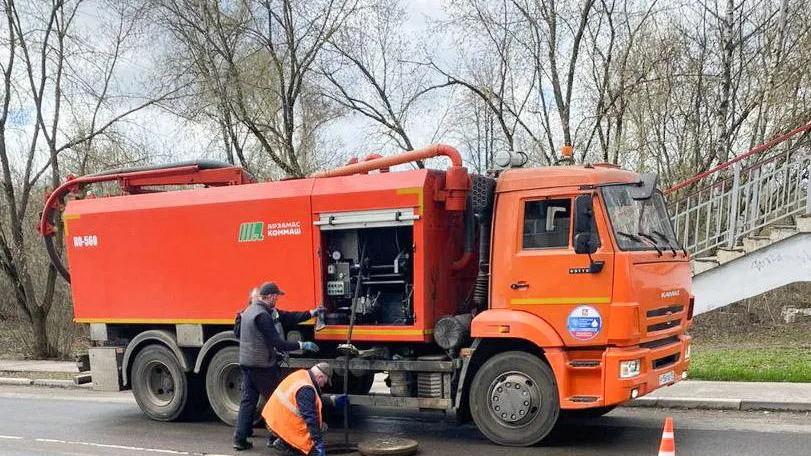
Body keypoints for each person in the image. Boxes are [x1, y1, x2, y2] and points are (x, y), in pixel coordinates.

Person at [233, 282, 325, 451]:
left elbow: (289, 317)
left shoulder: (249, 311)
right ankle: (275, 438)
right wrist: (301, 344)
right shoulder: (262, 316)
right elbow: (278, 343)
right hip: (262, 366)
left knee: (248, 401)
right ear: (270, 297)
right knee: (277, 401)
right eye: (276, 297)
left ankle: (239, 439)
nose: (277, 300)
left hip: (247, 364)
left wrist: (311, 313)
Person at [263, 363, 349, 456]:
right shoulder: (306, 389)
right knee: (309, 447)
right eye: (324, 382)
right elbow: (311, 418)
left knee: (318, 428)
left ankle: (279, 440)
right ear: (320, 377)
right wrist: (318, 443)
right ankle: (285, 442)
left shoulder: (302, 374)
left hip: (273, 418)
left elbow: (312, 399)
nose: (323, 385)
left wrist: (332, 400)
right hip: (281, 425)